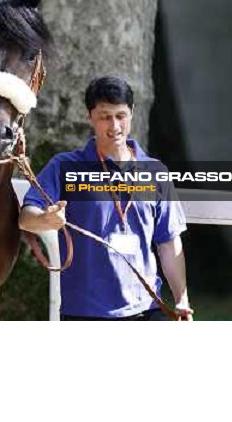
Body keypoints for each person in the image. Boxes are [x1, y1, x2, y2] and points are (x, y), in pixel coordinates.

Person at [19, 76, 193, 321]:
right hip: (86, 313)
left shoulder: (156, 172)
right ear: (90, 116)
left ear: (132, 113)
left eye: (120, 115)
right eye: (104, 116)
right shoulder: (64, 166)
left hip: (147, 308)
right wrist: (46, 220)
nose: (114, 126)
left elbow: (169, 242)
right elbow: (26, 218)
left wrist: (181, 298)